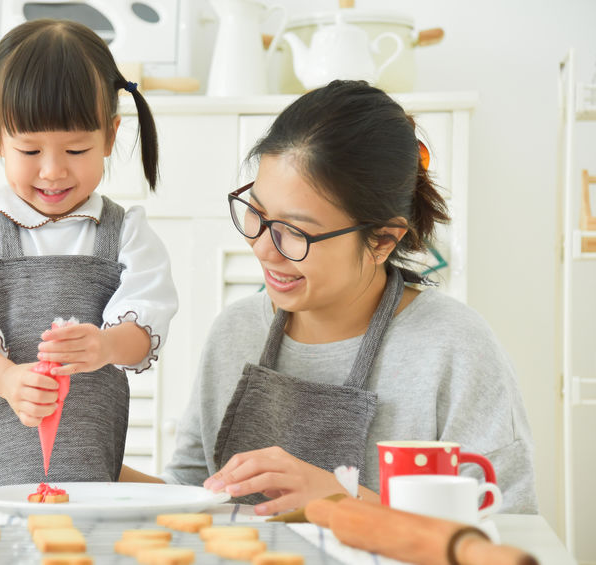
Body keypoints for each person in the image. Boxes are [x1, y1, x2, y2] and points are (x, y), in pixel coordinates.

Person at [155, 80, 537, 516]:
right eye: (257, 214)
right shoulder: (236, 331)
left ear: (382, 241)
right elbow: (189, 492)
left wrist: (345, 500)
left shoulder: (454, 347)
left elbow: (509, 527)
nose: (262, 248)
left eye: (295, 232)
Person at [0, 19, 178, 489]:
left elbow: (146, 328)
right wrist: (6, 380)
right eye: (30, 148)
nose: (53, 170)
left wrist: (105, 346)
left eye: (77, 149)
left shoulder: (127, 234)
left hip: (90, 473)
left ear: (110, 136)